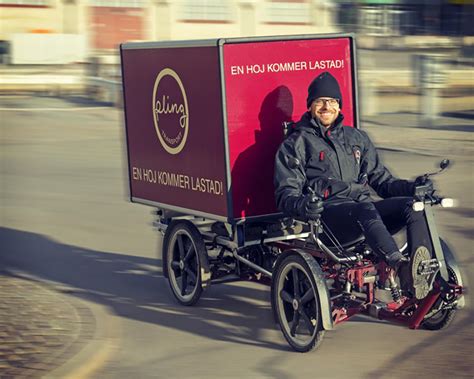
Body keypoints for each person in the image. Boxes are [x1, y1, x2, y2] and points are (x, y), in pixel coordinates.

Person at [274, 71, 434, 299]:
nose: (326, 106)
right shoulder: (296, 143)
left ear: (339, 106)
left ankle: (421, 271)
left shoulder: (357, 138)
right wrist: (304, 205)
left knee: (412, 206)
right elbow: (285, 194)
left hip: (363, 214)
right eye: (319, 101)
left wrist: (412, 188)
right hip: (328, 219)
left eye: (332, 101)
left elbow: (382, 181)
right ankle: (400, 267)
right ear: (310, 106)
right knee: (364, 209)